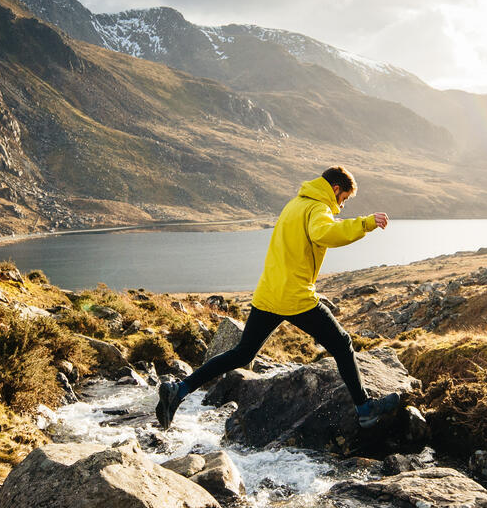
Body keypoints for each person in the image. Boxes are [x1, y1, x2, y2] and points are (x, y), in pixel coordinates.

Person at [156, 165, 403, 429]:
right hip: (294, 296)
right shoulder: (318, 208)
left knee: (242, 353)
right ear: (335, 189)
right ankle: (365, 409)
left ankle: (179, 390)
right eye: (343, 199)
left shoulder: (296, 204)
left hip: (269, 293)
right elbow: (325, 232)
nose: (341, 207)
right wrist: (365, 223)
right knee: (342, 344)